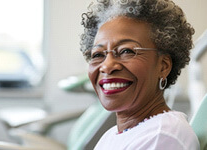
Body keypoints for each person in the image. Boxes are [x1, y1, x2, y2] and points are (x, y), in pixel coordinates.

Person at [80, 0, 200, 149]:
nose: (107, 66)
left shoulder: (161, 136)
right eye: (97, 54)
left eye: (126, 51)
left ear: (163, 66)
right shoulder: (113, 135)